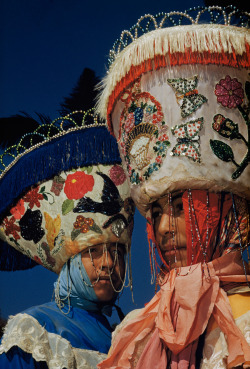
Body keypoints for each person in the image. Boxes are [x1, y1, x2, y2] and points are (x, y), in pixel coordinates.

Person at [96, 6, 250, 368]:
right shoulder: (136, 332)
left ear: (233, 218)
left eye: (182, 209)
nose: (164, 229)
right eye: (157, 214)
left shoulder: (245, 324)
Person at [0, 110, 135, 368]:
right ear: (70, 260)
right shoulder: (35, 331)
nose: (108, 263)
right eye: (93, 251)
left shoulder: (132, 337)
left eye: (117, 252)